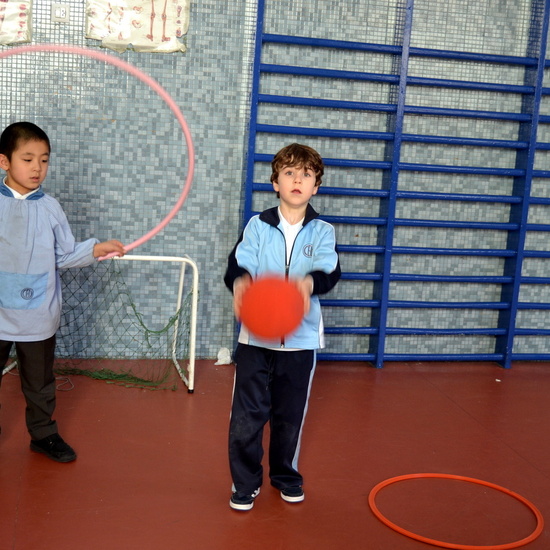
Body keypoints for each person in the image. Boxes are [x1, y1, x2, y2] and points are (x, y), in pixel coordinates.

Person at [224, 143, 341, 511]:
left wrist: (308, 284)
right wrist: (241, 282)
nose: (297, 180)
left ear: (315, 186)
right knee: (247, 417)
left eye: (306, 175)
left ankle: (285, 476)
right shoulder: (258, 226)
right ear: (275, 182)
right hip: (255, 339)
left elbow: (330, 272)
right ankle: (245, 482)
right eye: (289, 173)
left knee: (289, 417)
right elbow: (237, 266)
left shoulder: (322, 231)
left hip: (300, 340)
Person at [0, 121, 126, 463]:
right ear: (4, 162)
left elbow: (65, 254)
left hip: (38, 315)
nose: (37, 168)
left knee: (39, 385)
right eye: (27, 159)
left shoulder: (51, 207)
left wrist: (97, 249)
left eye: (44, 159)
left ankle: (43, 435)